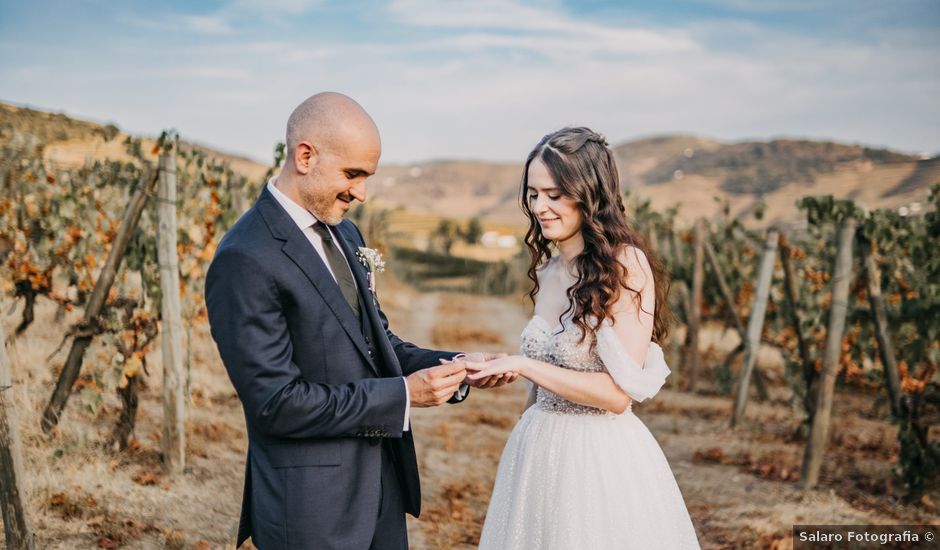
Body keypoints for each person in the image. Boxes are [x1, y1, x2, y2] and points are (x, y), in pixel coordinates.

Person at [205, 92, 510, 550]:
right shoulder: (245, 257)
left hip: (381, 491)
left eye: (368, 177)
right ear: (305, 156)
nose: (361, 193)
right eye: (353, 174)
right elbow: (276, 404)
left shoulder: (346, 233)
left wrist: (456, 364)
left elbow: (375, 343)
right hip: (311, 510)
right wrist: (405, 395)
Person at [463, 127, 701, 549]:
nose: (540, 207)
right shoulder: (548, 270)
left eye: (555, 195)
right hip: (536, 450)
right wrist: (521, 421)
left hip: (595, 458)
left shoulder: (626, 267)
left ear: (589, 194)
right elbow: (539, 383)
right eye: (534, 194)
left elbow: (616, 396)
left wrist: (522, 365)